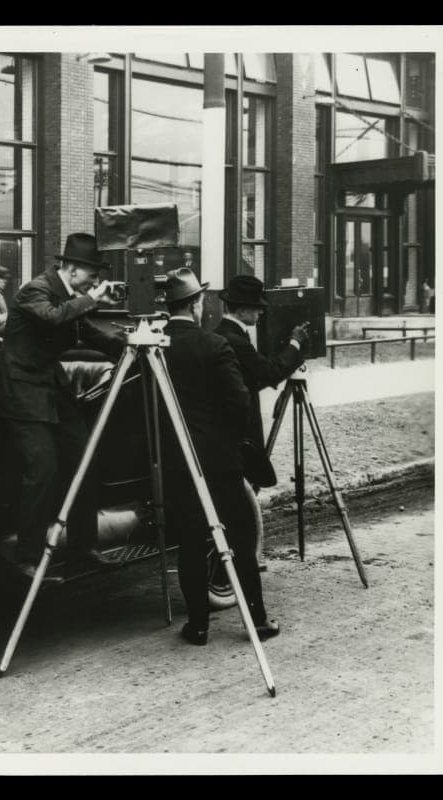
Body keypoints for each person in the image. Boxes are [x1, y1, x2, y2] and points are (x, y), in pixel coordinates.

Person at [0, 233, 124, 579]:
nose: (95, 280)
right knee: (43, 470)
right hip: (21, 392)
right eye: (92, 273)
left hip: (50, 389)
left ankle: (84, 548)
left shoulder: (71, 295)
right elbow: (52, 317)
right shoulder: (36, 290)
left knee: (84, 459)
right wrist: (91, 299)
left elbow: (88, 332)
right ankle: (27, 559)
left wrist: (127, 347)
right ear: (73, 268)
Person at [158, 267, 279, 646]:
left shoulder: (154, 346)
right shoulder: (213, 345)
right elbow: (239, 403)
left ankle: (197, 627)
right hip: (219, 461)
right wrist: (225, 440)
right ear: (196, 304)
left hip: (179, 461)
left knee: (192, 544)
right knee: (240, 539)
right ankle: (255, 621)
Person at [215, 275, 309, 492]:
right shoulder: (236, 340)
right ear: (241, 310)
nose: (261, 312)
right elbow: (269, 372)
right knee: (242, 487)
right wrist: (295, 343)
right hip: (241, 429)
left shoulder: (223, 332)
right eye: (256, 307)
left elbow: (249, 378)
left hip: (225, 429)